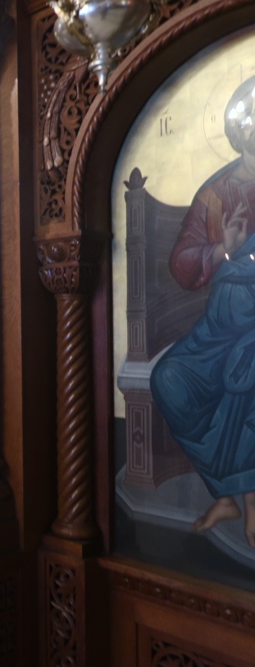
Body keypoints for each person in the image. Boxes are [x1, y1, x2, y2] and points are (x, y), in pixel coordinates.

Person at [151, 75, 255, 547]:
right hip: (219, 326)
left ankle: (251, 506)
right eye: (248, 117)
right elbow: (182, 261)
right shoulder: (215, 194)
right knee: (169, 379)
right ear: (236, 127)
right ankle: (226, 494)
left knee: (245, 375)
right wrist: (222, 249)